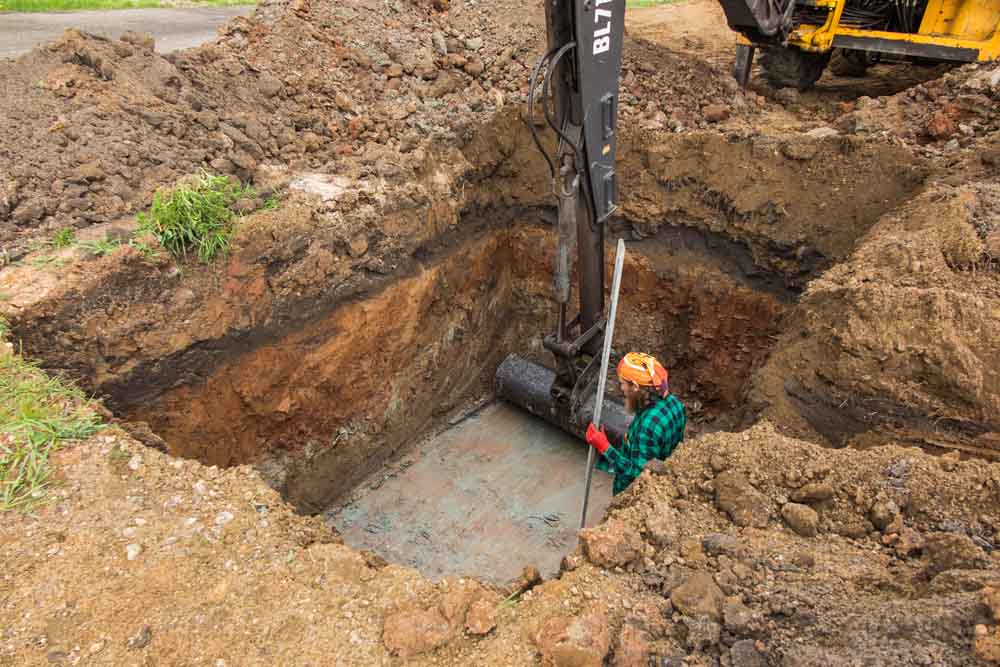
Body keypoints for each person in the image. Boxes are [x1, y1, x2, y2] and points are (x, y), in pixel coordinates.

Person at [585, 352, 686, 495]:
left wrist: (604, 447)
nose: (621, 388)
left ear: (636, 387)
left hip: (633, 492)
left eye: (623, 383)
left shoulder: (647, 427)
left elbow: (637, 474)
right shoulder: (676, 403)